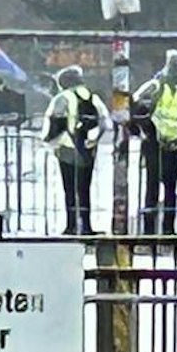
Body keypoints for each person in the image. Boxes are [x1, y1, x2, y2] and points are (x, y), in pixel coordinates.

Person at [132, 50, 177, 235]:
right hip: (154, 144)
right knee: (152, 188)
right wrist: (145, 131)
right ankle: (149, 232)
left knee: (170, 190)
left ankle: (169, 230)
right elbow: (135, 107)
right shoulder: (155, 86)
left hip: (174, 146)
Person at [42, 65, 110, 236]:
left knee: (70, 190)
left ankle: (71, 226)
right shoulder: (94, 98)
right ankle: (86, 226)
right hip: (88, 150)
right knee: (84, 189)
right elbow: (104, 122)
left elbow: (53, 124)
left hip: (67, 149)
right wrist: (93, 141)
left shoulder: (62, 98)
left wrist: (48, 141)